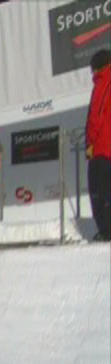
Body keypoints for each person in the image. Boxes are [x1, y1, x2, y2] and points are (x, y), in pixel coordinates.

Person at [85, 48, 111, 242]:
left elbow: (97, 115)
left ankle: (105, 230)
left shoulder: (104, 81)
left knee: (99, 191)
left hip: (103, 147)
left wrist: (90, 143)